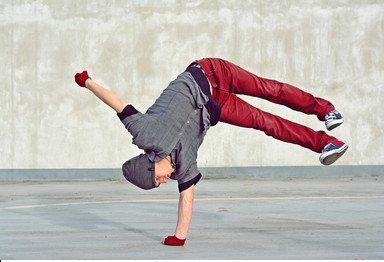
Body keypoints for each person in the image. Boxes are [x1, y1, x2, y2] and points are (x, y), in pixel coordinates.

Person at [74, 57, 348, 246]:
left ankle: (325, 110)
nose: (162, 182)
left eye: (156, 179)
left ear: (150, 163)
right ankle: (325, 144)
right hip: (219, 104)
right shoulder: (184, 166)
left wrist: (88, 82)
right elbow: (187, 200)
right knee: (266, 123)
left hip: (209, 73)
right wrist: (179, 237)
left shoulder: (144, 132)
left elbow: (118, 103)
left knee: (268, 89)